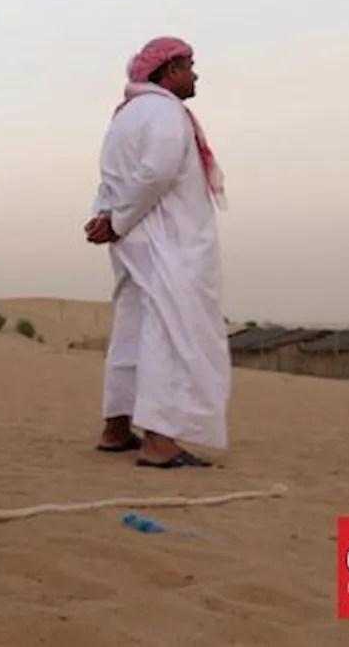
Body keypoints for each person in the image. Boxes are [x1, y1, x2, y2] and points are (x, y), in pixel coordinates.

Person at [84, 36, 231, 469]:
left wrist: (108, 217)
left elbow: (110, 179)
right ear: (168, 71)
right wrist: (116, 219)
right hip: (168, 242)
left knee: (133, 324)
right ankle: (160, 441)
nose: (196, 74)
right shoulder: (166, 112)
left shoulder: (124, 116)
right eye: (189, 65)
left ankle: (117, 427)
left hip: (135, 240)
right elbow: (156, 173)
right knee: (171, 330)